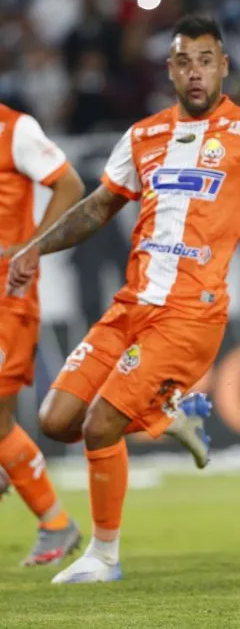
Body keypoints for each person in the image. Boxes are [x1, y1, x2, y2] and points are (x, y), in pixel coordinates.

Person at [5, 14, 240, 584]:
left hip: (189, 314)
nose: (195, 72)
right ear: (169, 69)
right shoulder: (142, 136)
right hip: (130, 306)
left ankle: (104, 556)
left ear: (224, 66)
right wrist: (37, 247)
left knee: (100, 425)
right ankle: (168, 413)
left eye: (206, 61)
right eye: (184, 62)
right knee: (57, 420)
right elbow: (97, 207)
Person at [0, 102, 85, 566]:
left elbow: (70, 184)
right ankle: (54, 522)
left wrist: (32, 246)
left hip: (6, 299)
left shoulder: (14, 129)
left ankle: (55, 523)